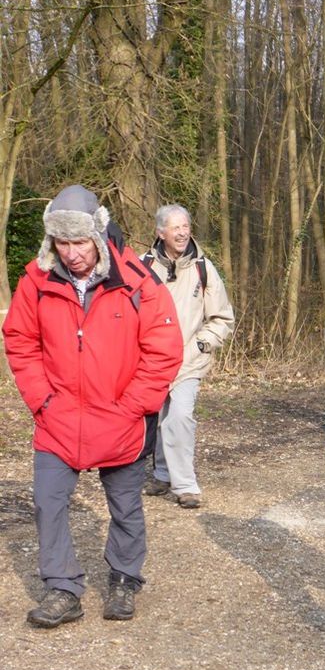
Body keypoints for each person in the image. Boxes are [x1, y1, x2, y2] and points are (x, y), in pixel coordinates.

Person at [2, 185, 183, 627]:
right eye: (62, 243)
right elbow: (20, 341)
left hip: (121, 418)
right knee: (47, 502)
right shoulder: (35, 281)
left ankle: (124, 578)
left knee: (125, 505)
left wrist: (132, 407)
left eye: (79, 241)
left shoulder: (138, 280)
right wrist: (42, 401)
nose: (72, 253)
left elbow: (164, 348)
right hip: (58, 419)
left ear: (98, 236)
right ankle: (62, 588)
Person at [141, 204, 235, 509]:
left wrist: (200, 346)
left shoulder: (203, 268)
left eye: (186, 226)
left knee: (180, 415)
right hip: (152, 361)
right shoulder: (143, 267)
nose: (182, 232)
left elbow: (222, 318)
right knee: (160, 418)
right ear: (160, 232)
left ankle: (185, 486)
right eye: (175, 227)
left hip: (188, 360)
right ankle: (163, 472)